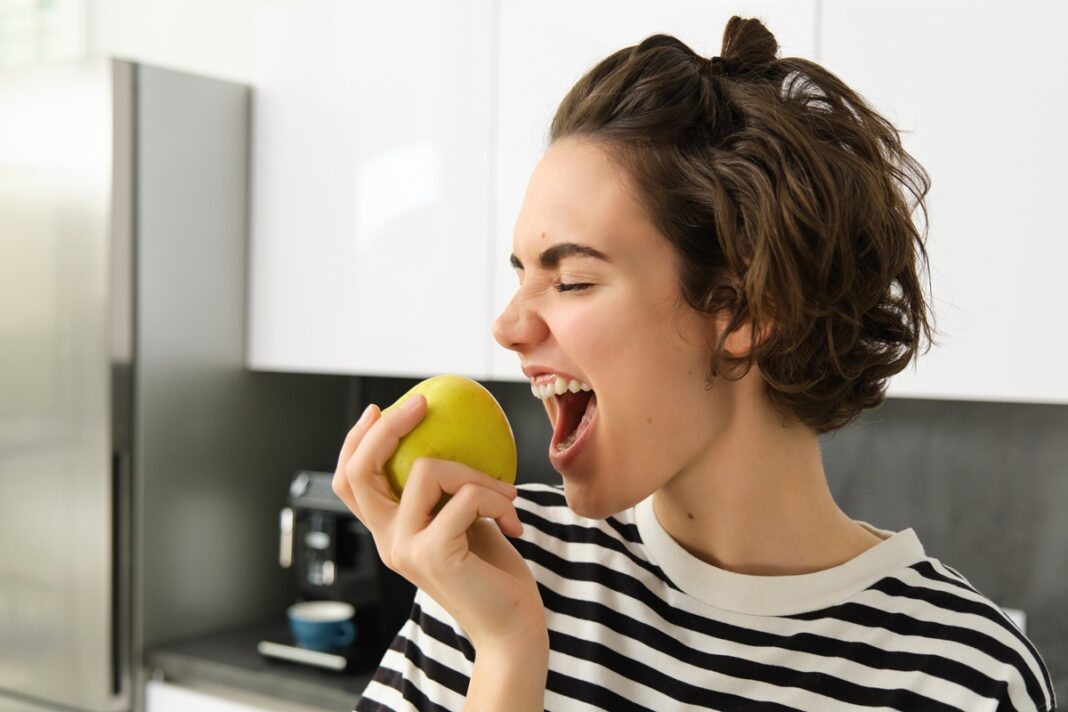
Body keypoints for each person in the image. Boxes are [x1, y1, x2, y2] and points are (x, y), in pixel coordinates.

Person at [333, 16, 1056, 712]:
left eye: (572, 279)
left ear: (743, 309)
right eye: (520, 272)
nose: (508, 325)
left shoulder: (964, 675)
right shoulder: (489, 569)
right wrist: (507, 651)